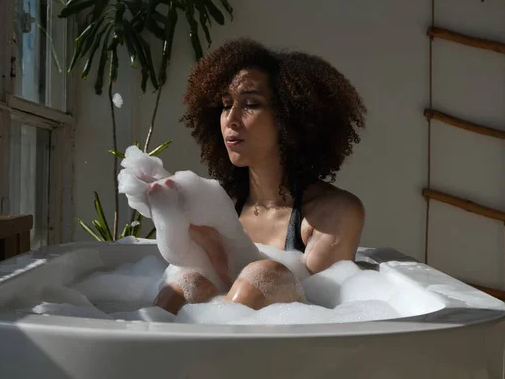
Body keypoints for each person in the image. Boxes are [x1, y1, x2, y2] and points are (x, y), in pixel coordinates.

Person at [153, 38, 367, 314]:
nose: (230, 119)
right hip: (218, 342)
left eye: (250, 104)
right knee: (184, 284)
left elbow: (321, 313)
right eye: (226, 104)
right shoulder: (218, 207)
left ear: (291, 118)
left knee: (267, 274)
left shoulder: (332, 214)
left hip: (286, 352)